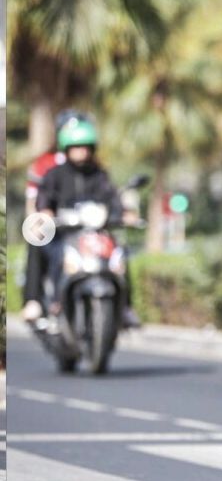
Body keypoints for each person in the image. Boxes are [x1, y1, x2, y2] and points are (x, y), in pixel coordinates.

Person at [35, 115, 141, 327]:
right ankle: (56, 301)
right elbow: (44, 199)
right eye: (76, 147)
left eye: (85, 147)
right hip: (66, 234)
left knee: (119, 256)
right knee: (56, 255)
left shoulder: (99, 175)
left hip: (95, 234)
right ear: (67, 148)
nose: (81, 151)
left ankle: (126, 307)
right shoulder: (55, 174)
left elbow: (112, 198)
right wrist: (46, 212)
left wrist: (124, 214)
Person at [21, 109, 79, 322]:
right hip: (55, 226)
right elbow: (33, 200)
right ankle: (33, 300)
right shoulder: (45, 163)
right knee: (36, 240)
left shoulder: (92, 167)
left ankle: (123, 307)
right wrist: (40, 220)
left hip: (84, 226)